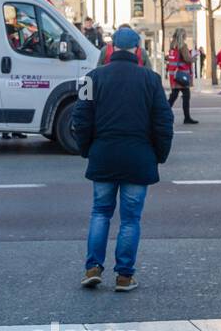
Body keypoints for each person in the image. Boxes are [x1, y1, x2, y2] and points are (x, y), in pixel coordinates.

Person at [71, 27, 173, 293]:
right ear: (138, 50)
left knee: (100, 212)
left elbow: (79, 119)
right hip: (139, 158)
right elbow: (164, 122)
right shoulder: (151, 79)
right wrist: (158, 155)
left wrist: (87, 149)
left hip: (103, 155)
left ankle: (92, 268)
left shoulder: (91, 78)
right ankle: (124, 276)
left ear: (111, 48)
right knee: (130, 219)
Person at [164, 29, 198, 125]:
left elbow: (171, 58)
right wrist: (194, 58)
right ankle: (187, 118)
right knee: (186, 96)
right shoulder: (183, 46)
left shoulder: (172, 45)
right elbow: (187, 59)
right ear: (182, 36)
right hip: (181, 75)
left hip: (174, 75)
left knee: (173, 96)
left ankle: (162, 113)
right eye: (185, 34)